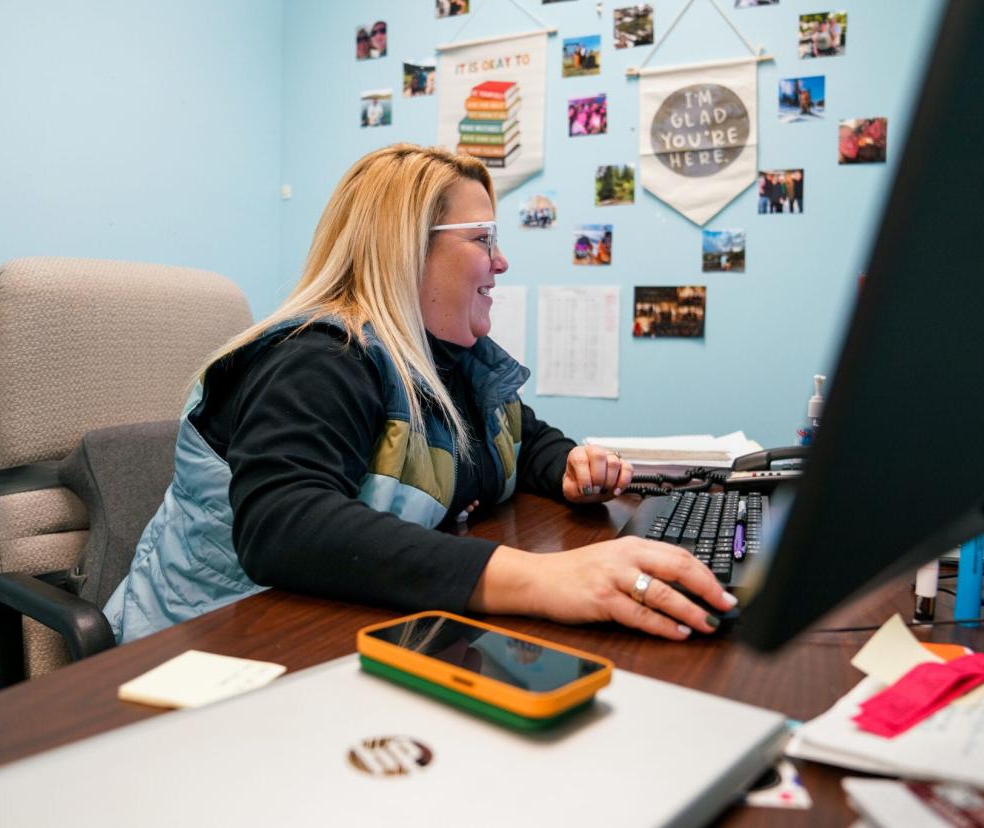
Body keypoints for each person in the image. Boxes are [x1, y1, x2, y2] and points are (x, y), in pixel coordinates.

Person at [104, 144, 734, 645]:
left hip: (326, 626)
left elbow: (520, 436)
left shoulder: (449, 363)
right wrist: (539, 578)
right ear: (406, 248)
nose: (502, 261)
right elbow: (283, 524)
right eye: (483, 238)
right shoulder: (318, 358)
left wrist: (565, 466)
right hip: (205, 647)